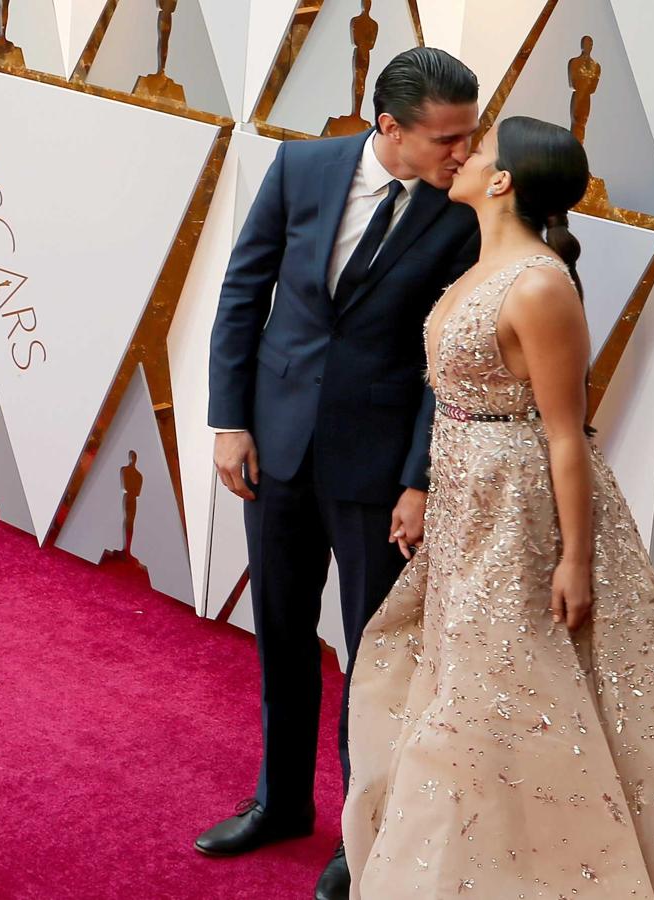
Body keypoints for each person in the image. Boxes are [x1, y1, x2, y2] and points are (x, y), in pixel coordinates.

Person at [341, 115, 654, 899]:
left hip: (520, 513)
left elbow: (566, 435)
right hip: (468, 500)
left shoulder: (537, 284)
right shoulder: (479, 265)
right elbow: (457, 402)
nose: (461, 156)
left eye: (480, 151)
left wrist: (572, 559)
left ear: (502, 181)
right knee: (467, 687)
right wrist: (423, 488)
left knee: (504, 692)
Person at [200, 48, 482, 900]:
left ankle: (364, 839)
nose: (463, 154)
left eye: (470, 134)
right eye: (446, 138)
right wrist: (229, 421)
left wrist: (418, 480)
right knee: (281, 636)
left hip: (378, 465)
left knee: (374, 658)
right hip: (275, 447)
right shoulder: (302, 166)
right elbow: (243, 291)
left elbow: (450, 361)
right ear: (387, 127)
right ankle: (279, 803)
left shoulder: (462, 211)